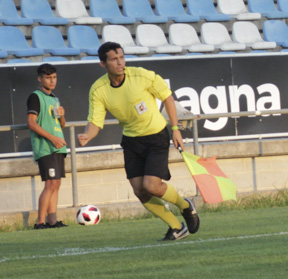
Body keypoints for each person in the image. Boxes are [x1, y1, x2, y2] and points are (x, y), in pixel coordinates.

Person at [78, 42, 199, 241]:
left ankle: (185, 206)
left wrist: (176, 129)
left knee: (151, 186)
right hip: (131, 140)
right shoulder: (98, 90)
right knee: (140, 191)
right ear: (103, 64)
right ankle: (177, 227)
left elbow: (168, 97)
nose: (120, 63)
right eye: (114, 59)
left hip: (156, 136)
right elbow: (95, 122)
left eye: (122, 57)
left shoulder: (141, 75)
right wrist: (87, 135)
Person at [28, 63, 68, 230]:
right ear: (40, 79)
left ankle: (53, 220)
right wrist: (52, 138)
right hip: (46, 147)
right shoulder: (35, 96)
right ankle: (40, 222)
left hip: (58, 146)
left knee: (56, 183)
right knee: (50, 184)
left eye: (54, 77)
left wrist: (63, 116)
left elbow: (61, 125)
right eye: (48, 78)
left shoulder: (55, 98)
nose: (52, 81)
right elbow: (31, 122)